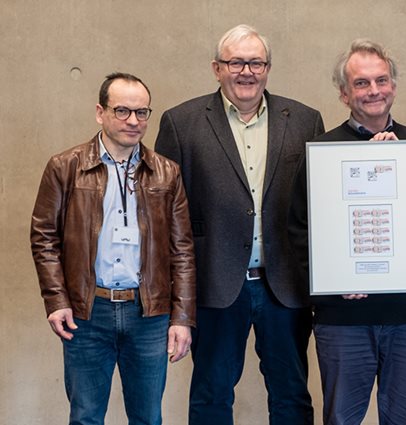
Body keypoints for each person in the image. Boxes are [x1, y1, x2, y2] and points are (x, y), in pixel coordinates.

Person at [154, 24, 324, 424]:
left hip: (284, 287)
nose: (246, 71)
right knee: (211, 396)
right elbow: (165, 217)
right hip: (214, 286)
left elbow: (317, 209)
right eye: (236, 62)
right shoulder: (181, 122)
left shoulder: (304, 120)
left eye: (256, 62)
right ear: (217, 68)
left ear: (267, 68)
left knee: (291, 396)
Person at [289, 39, 406, 425]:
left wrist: (403, 161)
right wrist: (329, 283)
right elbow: (298, 231)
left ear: (394, 87)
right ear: (344, 93)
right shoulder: (321, 150)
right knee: (341, 419)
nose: (374, 91)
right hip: (343, 316)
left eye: (381, 80)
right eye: (362, 83)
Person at [30, 72, 195, 425]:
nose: (133, 121)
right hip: (87, 313)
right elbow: (44, 238)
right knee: (86, 416)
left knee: (148, 417)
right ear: (100, 112)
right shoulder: (65, 167)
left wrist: (182, 317)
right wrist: (56, 300)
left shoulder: (167, 173)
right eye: (122, 111)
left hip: (148, 314)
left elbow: (182, 250)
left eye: (142, 112)